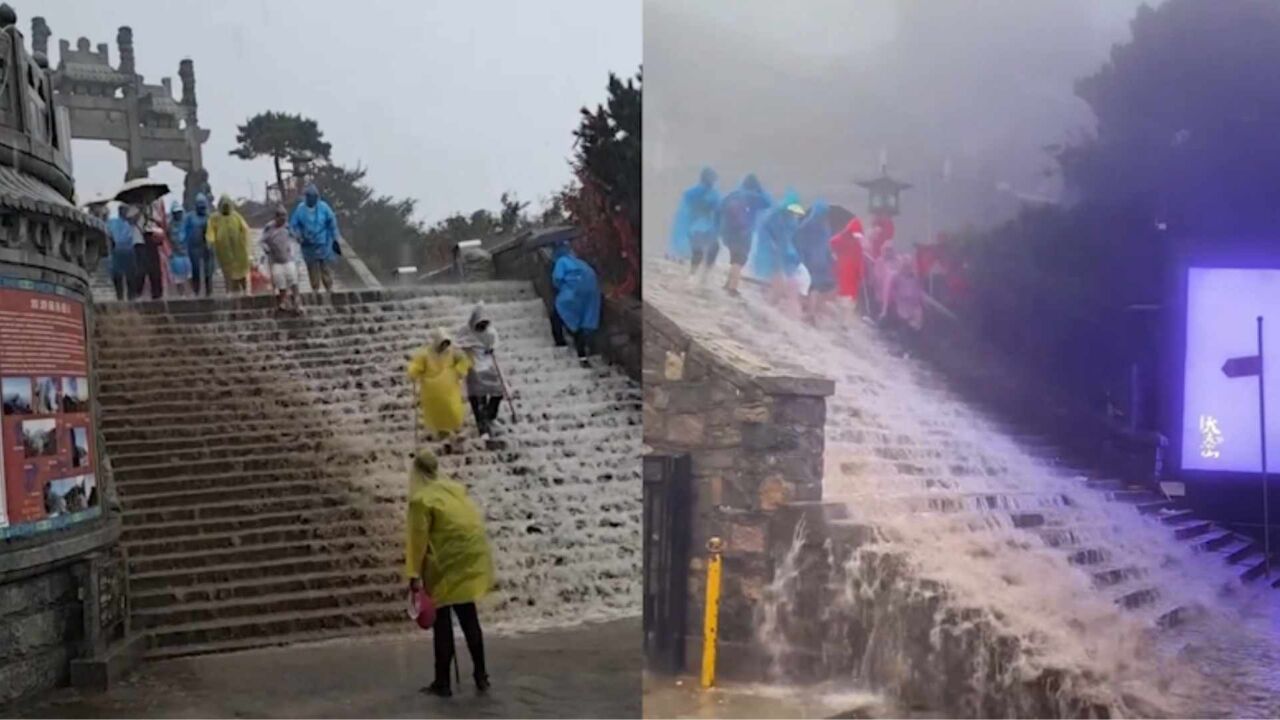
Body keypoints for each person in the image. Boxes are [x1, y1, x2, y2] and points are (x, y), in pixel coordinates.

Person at [404, 448, 493, 698]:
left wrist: (414, 575)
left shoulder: (421, 500)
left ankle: (442, 682)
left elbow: (417, 539)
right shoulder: (453, 489)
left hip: (445, 564)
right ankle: (481, 676)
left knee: (442, 623)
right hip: (469, 560)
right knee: (468, 617)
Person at [407, 329, 473, 441]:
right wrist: (413, 373)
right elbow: (416, 366)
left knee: (453, 411)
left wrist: (458, 371)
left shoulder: (453, 352)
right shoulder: (425, 354)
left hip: (449, 388)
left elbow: (464, 361)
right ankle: (443, 436)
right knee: (437, 415)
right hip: (432, 390)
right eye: (442, 344)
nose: (444, 347)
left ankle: (454, 434)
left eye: (446, 344)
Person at [718, 173, 772, 296]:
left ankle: (728, 283)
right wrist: (761, 190)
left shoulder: (733, 195)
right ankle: (733, 288)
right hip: (744, 233)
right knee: (739, 259)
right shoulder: (754, 197)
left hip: (729, 233)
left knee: (734, 259)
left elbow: (720, 207)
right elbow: (768, 203)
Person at [749, 191, 805, 308]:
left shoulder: (791, 221)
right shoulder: (772, 217)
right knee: (778, 285)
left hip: (782, 255)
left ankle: (769, 306)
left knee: (782, 285)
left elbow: (790, 239)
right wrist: (771, 246)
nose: (793, 213)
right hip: (769, 254)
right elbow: (764, 235)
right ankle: (767, 307)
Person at [455, 304, 504, 437]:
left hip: (488, 366)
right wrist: (466, 349)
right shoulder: (465, 331)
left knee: (498, 393)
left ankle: (490, 416)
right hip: (473, 368)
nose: (482, 327)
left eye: (484, 324)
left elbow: (495, 343)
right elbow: (457, 344)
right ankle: (482, 427)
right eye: (479, 324)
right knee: (478, 398)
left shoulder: (490, 332)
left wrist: (492, 348)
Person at [550, 242, 602, 360]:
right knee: (583, 320)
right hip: (591, 292)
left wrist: (560, 287)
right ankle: (583, 351)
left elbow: (557, 279)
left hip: (573, 293)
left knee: (558, 315)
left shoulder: (561, 261)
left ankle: (560, 342)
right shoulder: (579, 262)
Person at [669, 167, 721, 281]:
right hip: (697, 228)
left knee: (712, 249)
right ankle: (694, 275)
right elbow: (688, 210)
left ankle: (701, 274)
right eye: (712, 179)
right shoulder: (697, 192)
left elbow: (718, 211)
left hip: (705, 228)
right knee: (700, 251)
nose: (713, 181)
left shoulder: (710, 193)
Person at [290, 184, 340, 297]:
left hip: (323, 242)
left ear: (317, 197)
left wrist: (335, 237)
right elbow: (293, 225)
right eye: (309, 196)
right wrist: (298, 236)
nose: (312, 199)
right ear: (306, 197)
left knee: (325, 266)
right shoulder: (300, 209)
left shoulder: (324, 207)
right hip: (307, 243)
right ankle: (315, 288)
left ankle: (329, 287)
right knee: (312, 267)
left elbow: (332, 222)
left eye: (314, 197)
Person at [793, 201, 836, 325]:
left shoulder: (806, 226)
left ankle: (811, 313)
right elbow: (828, 246)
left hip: (809, 261)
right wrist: (830, 259)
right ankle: (813, 311)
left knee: (811, 287)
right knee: (817, 287)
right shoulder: (826, 228)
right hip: (821, 261)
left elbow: (797, 242)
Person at [206, 194, 252, 295]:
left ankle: (245, 291)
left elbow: (245, 229)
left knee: (242, 271)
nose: (226, 208)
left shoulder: (236, 216)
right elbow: (210, 231)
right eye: (224, 206)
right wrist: (211, 240)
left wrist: (246, 243)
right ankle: (229, 292)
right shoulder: (214, 218)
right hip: (223, 250)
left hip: (238, 248)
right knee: (227, 272)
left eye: (227, 206)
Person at [260, 204, 302, 314]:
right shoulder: (269, 228)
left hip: (288, 259)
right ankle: (283, 302)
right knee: (280, 283)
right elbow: (262, 241)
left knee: (293, 280)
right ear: (276, 217)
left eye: (285, 216)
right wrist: (266, 248)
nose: (283, 219)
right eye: (281, 216)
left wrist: (299, 239)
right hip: (276, 261)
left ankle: (297, 302)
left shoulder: (288, 227)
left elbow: (296, 237)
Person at [829, 215, 866, 322]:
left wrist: (861, 272)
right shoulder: (841, 239)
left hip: (852, 277)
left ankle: (845, 323)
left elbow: (860, 259)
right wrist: (833, 257)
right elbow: (831, 245)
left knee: (850, 300)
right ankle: (840, 321)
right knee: (841, 297)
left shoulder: (858, 245)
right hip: (841, 272)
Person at [182, 194, 214, 296]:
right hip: (194, 247)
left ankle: (209, 292)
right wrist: (184, 243)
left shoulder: (209, 217)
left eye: (203, 207)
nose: (202, 209)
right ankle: (196, 291)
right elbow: (185, 231)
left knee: (208, 270)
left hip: (206, 247)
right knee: (195, 269)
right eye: (200, 206)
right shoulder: (190, 217)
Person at [106, 206, 138, 302]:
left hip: (128, 250)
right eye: (123, 210)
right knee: (118, 276)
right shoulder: (113, 222)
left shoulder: (130, 222)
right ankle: (120, 297)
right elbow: (108, 234)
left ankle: (130, 297)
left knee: (130, 276)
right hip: (118, 251)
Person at [167, 201, 192, 297]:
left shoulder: (186, 223)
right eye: (176, 213)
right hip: (175, 255)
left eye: (179, 212)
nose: (178, 215)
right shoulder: (170, 226)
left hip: (186, 253)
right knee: (178, 278)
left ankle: (191, 294)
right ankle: (181, 295)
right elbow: (167, 239)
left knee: (190, 275)